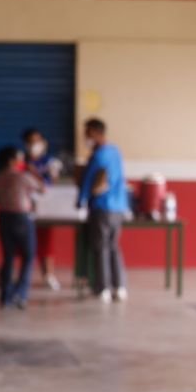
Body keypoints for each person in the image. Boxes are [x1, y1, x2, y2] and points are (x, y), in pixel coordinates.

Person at [76, 118, 129, 303]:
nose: (85, 137)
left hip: (101, 207)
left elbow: (87, 181)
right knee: (113, 246)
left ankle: (103, 288)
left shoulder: (98, 155)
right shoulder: (115, 151)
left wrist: (80, 201)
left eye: (88, 133)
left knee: (100, 248)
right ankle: (120, 287)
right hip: (118, 208)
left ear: (96, 133)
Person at [0, 146, 45, 309]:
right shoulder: (23, 176)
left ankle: (5, 296)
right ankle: (20, 294)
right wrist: (32, 171)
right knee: (28, 256)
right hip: (22, 218)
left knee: (8, 257)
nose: (22, 162)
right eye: (20, 159)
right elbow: (42, 188)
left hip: (4, 218)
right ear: (12, 160)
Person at [22, 128, 63, 291]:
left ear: (43, 142)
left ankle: (48, 275)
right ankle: (22, 276)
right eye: (30, 142)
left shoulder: (50, 162)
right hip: (24, 207)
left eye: (37, 141)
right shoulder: (19, 161)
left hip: (45, 208)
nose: (34, 145)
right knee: (23, 243)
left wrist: (34, 173)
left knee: (46, 241)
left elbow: (50, 182)